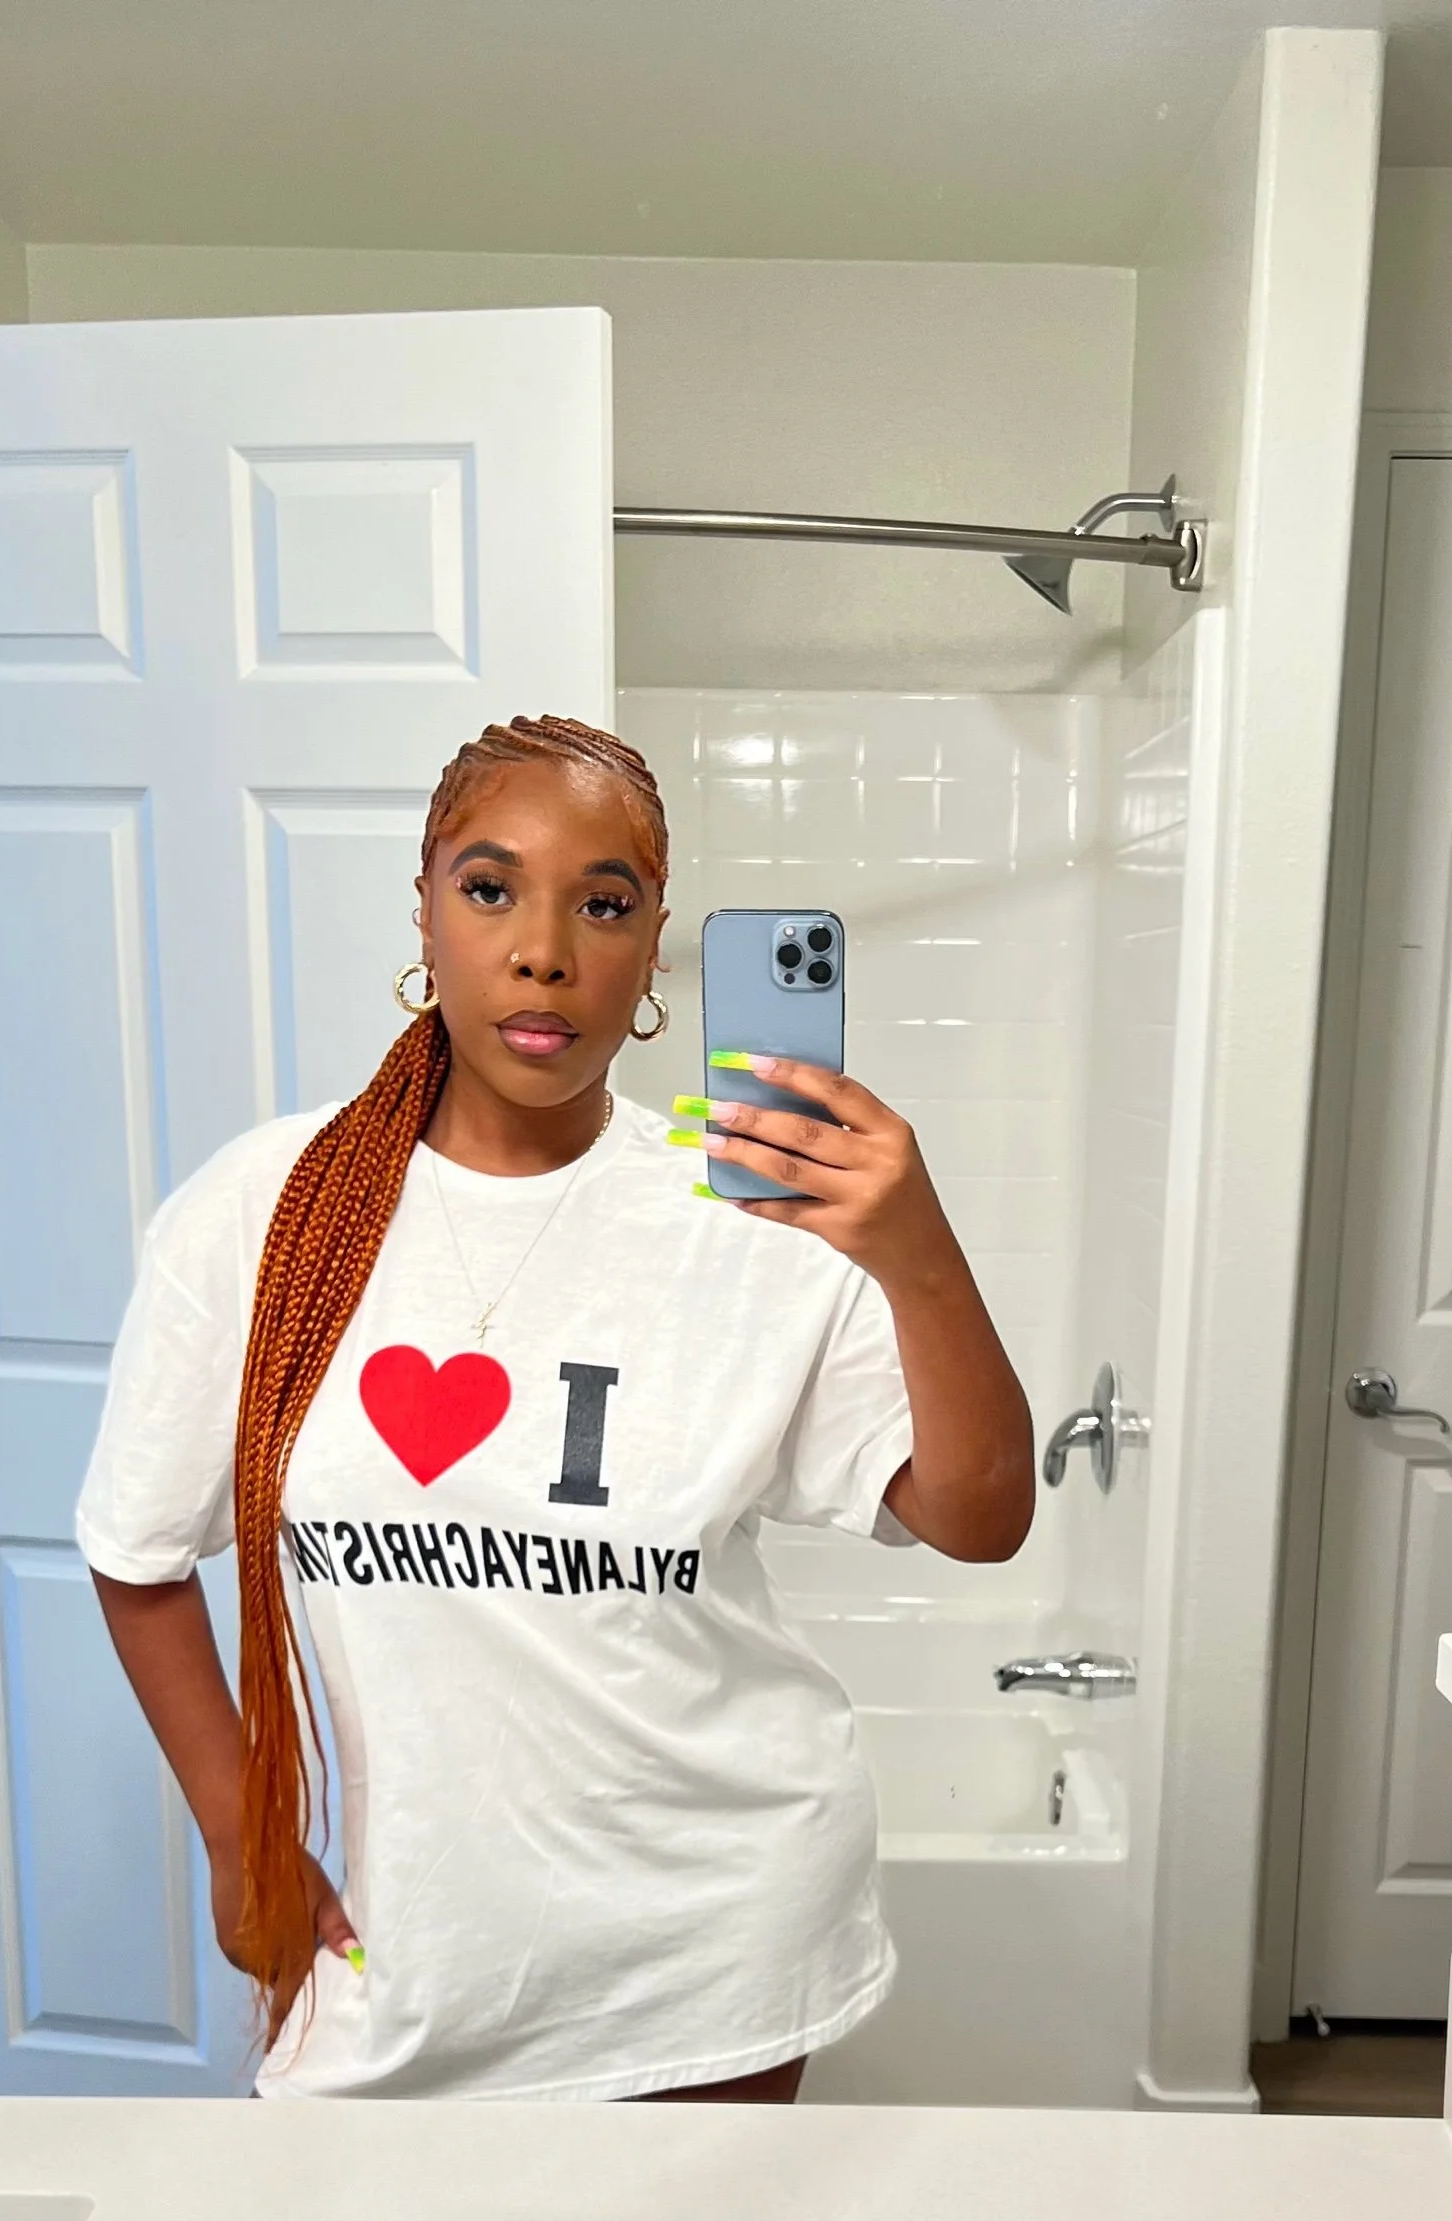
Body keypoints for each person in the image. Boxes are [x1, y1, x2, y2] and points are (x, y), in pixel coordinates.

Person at [80, 715, 1034, 2104]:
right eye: (490, 889)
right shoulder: (263, 1213)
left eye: (603, 904)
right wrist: (244, 1841)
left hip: (714, 1952)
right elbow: (138, 1555)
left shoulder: (752, 1218)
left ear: (653, 953)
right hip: (408, 1964)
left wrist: (917, 1253)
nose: (543, 951)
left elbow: (979, 1518)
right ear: (424, 911)